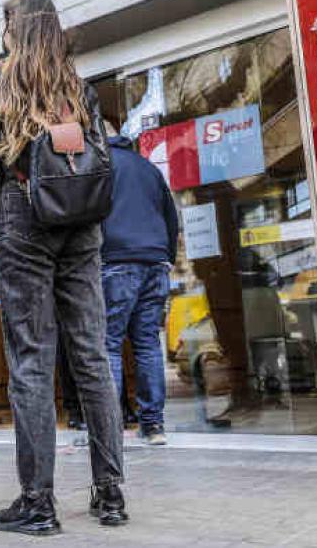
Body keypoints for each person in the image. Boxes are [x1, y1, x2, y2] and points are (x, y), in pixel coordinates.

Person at [0, 0, 126, 536]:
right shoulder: (79, 87)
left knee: (32, 360)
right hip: (81, 223)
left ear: (13, 27)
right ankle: (111, 494)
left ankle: (38, 502)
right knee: (91, 355)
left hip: (23, 215)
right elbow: (95, 156)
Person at [101, 124, 180, 446]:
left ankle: (109, 429)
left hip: (116, 260)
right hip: (155, 262)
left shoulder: (98, 163)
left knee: (107, 345)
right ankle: (153, 426)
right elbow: (170, 215)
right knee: (147, 344)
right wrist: (167, 256)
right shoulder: (147, 167)